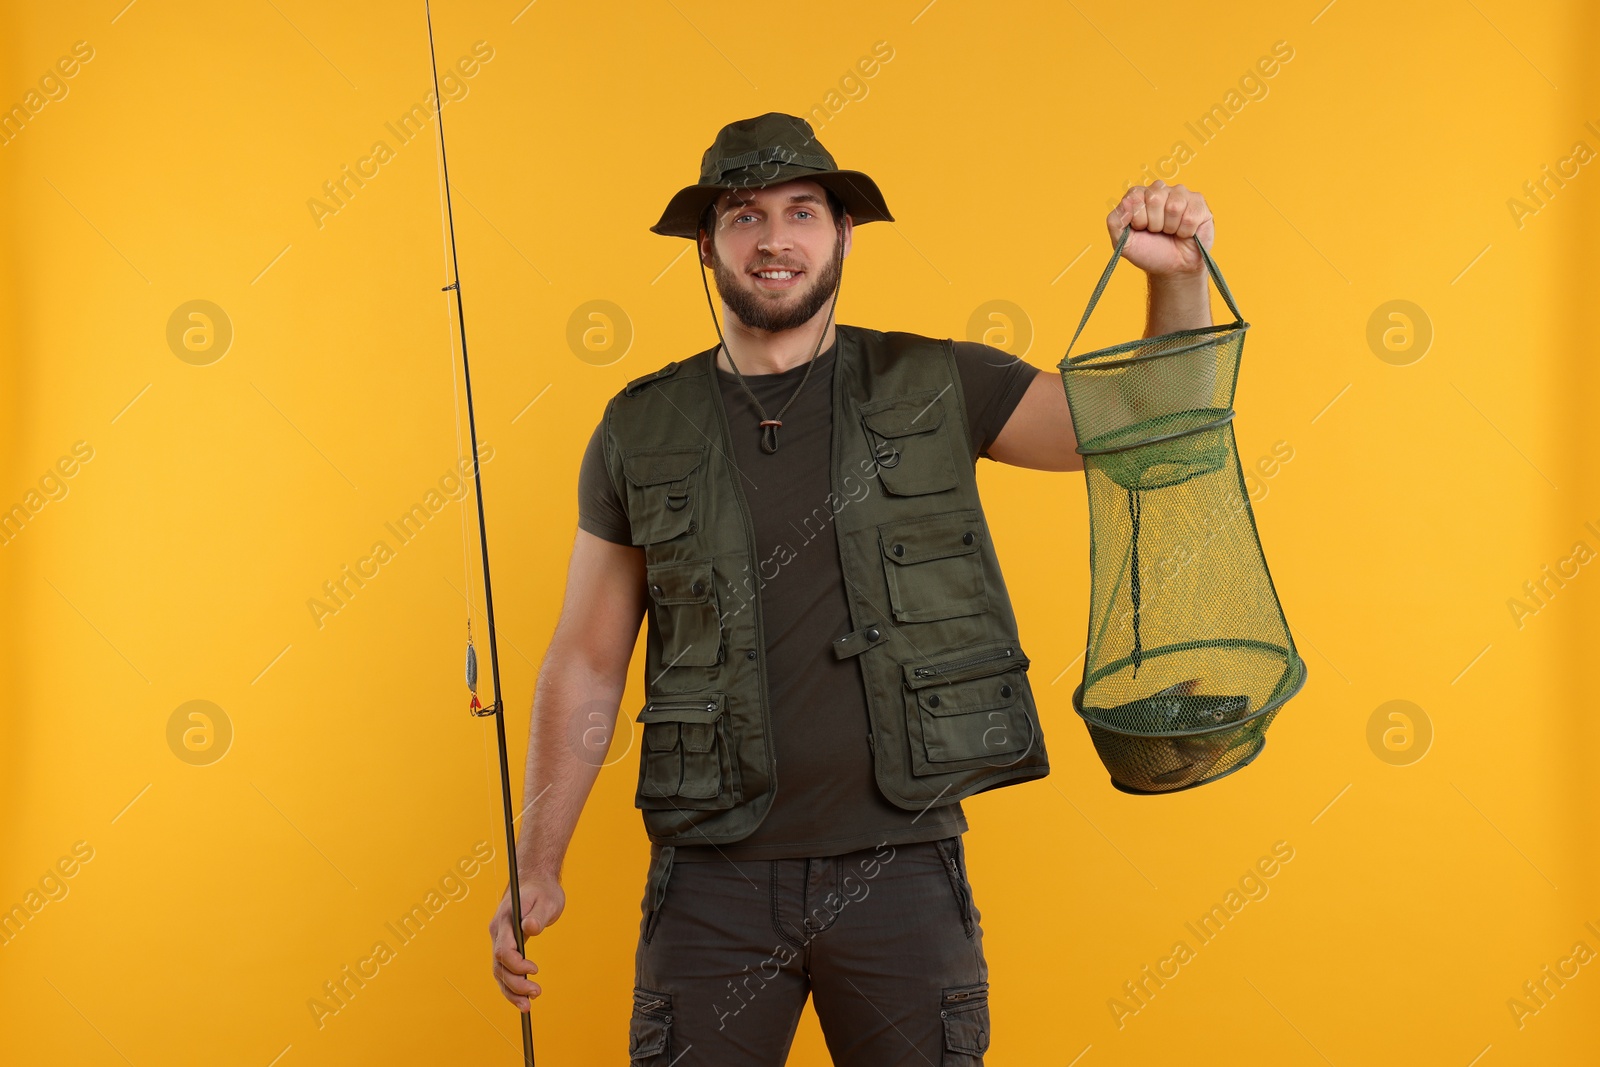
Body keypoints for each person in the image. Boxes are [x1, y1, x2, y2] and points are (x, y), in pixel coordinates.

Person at [487, 112, 1218, 1066]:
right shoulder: (639, 427)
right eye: (744, 216)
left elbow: (1151, 419)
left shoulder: (939, 380)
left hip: (903, 876)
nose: (775, 239)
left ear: (841, 234)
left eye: (802, 211)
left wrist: (1178, 276)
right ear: (706, 247)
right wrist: (537, 862)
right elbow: (586, 663)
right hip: (712, 886)